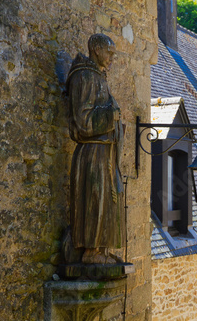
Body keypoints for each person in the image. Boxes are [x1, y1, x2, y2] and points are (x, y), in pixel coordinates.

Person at [67, 33, 125, 264]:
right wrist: (112, 116)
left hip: (105, 153)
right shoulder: (84, 76)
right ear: (96, 48)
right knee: (95, 200)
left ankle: (102, 250)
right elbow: (82, 121)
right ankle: (91, 252)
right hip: (92, 153)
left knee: (108, 201)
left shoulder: (98, 77)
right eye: (109, 52)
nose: (112, 57)